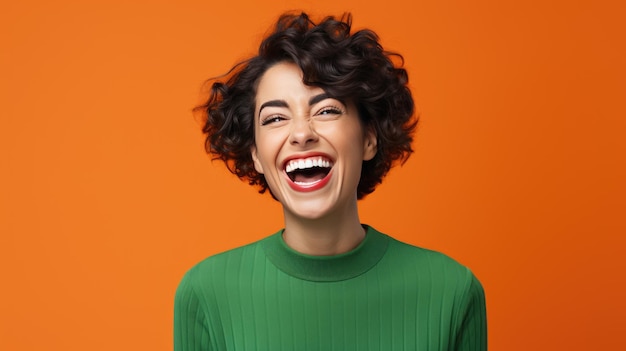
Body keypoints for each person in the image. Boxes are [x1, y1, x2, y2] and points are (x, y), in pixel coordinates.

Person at [174, 12, 487, 351]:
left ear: (369, 138)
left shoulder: (452, 291)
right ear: (256, 156)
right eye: (276, 118)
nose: (301, 134)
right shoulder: (206, 295)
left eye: (326, 110)